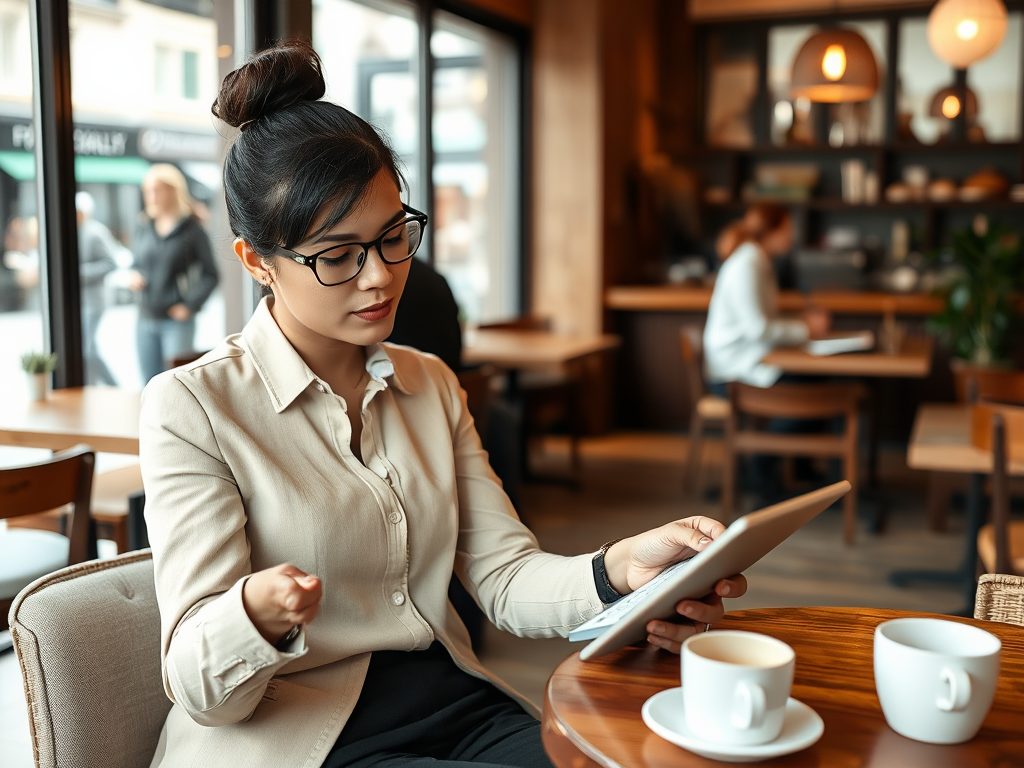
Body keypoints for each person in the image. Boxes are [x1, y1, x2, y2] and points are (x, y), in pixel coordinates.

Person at [140, 41, 747, 768]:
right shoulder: (193, 407)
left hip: (452, 704)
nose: (380, 277)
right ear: (256, 262)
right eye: (337, 256)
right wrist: (252, 616)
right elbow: (198, 687)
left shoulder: (429, 383)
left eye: (394, 236)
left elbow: (505, 579)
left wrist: (622, 568)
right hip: (301, 738)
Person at [703, 202, 830, 390]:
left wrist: (800, 320)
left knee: (825, 383)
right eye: (788, 229)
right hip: (734, 372)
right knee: (823, 390)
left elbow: (761, 321)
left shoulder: (760, 261)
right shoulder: (747, 264)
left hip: (750, 362)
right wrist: (806, 328)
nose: (792, 236)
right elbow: (758, 330)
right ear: (771, 232)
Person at [128, 163, 219, 383]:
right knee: (148, 386)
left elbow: (211, 274)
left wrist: (190, 306)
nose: (151, 196)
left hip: (175, 323)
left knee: (175, 386)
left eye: (157, 189)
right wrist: (133, 276)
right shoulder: (144, 226)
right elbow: (135, 263)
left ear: (173, 190)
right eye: (148, 190)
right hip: (145, 319)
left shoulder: (192, 230)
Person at [76, 191, 119, 385]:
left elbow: (110, 263)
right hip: (79, 301)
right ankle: (90, 387)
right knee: (84, 349)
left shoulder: (95, 232)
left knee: (88, 349)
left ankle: (113, 386)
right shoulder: (74, 232)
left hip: (94, 301)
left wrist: (79, 273)